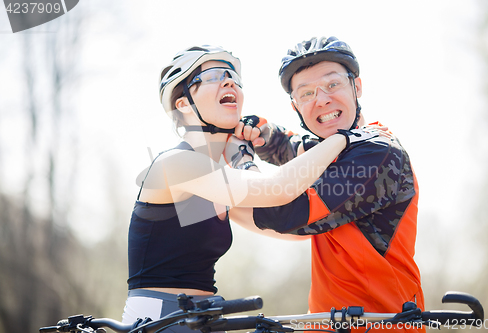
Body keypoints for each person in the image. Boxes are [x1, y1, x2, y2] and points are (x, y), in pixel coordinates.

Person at [120, 44, 379, 330]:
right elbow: (278, 187)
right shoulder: (177, 164)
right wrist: (345, 138)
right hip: (157, 318)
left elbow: (287, 226)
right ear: (183, 104)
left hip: (199, 318)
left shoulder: (216, 179)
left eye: (233, 77)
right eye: (215, 75)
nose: (229, 80)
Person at [233, 36, 424, 332]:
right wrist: (264, 133)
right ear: (295, 106)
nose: (321, 99)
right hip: (329, 324)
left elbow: (284, 212)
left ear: (356, 87)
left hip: (382, 325)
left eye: (332, 85)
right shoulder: (335, 148)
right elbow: (290, 148)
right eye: (307, 94)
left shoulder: (377, 153)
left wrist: (236, 167)